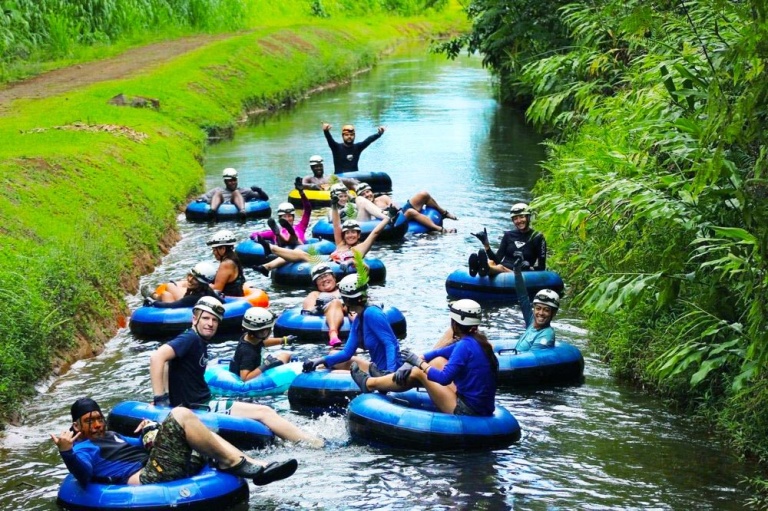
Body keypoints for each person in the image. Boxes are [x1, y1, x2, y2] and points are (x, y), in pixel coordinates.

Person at [149, 296, 323, 447]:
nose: (210, 324)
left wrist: (168, 395)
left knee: (259, 412)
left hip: (201, 402)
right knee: (264, 412)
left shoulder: (197, 340)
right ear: (195, 319)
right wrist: (160, 400)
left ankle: (303, 438)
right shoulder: (190, 338)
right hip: (201, 407)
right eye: (206, 319)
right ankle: (313, 443)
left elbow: (166, 363)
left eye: (215, 320)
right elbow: (157, 357)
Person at [51, 397, 298, 487]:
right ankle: (237, 464)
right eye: (89, 421)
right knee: (180, 414)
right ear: (76, 426)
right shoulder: (82, 447)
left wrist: (148, 431)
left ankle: (256, 465)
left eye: (98, 419)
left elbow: (137, 446)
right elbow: (83, 476)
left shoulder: (110, 435)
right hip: (151, 476)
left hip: (163, 464)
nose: (96, 425)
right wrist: (66, 452)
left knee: (200, 432)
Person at [349, 299, 498, 417]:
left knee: (418, 373)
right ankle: (385, 378)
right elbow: (437, 353)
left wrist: (420, 364)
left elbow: (444, 378)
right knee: (438, 360)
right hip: (482, 407)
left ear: (455, 323)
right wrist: (414, 360)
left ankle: (370, 383)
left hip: (468, 410)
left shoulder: (463, 346)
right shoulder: (479, 341)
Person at [253, 196, 392, 277]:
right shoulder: (341, 244)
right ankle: (267, 266)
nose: (350, 235)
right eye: (348, 232)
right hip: (328, 261)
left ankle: (270, 248)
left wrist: (386, 219)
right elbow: (337, 225)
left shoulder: (361, 248)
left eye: (353, 232)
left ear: (358, 234)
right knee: (300, 252)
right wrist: (334, 206)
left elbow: (375, 233)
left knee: (303, 255)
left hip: (333, 268)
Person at [302, 274, 401, 374]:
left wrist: (391, 374)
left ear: (347, 300)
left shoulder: (372, 313)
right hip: (376, 368)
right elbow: (347, 353)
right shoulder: (358, 320)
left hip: (389, 372)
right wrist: (317, 361)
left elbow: (391, 344)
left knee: (337, 373)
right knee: (332, 355)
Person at [469, 202, 546, 277]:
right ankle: (479, 268)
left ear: (528, 217)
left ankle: (484, 269)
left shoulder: (538, 237)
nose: (519, 221)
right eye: (515, 218)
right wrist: (486, 245)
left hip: (519, 273)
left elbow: (541, 267)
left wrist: (529, 267)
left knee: (500, 267)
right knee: (491, 262)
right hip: (503, 271)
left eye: (522, 217)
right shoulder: (508, 235)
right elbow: (497, 260)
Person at [354, 182, 458, 233]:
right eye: (363, 194)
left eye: (368, 192)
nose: (367, 195)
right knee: (410, 211)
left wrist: (394, 208)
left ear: (371, 191)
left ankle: (443, 213)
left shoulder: (383, 198)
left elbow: (396, 206)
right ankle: (441, 230)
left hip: (399, 213)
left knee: (423, 194)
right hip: (390, 222)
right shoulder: (365, 207)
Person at [229, 307, 295, 382]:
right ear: (263, 332)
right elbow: (244, 378)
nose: (269, 331)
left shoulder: (249, 337)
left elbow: (263, 342)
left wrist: (283, 340)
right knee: (285, 356)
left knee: (284, 355)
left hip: (254, 365)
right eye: (268, 329)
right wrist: (266, 365)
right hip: (250, 376)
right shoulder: (248, 352)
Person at [511, 257, 560, 351]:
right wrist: (517, 271)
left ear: (553, 313)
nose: (540, 313)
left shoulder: (547, 334)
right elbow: (523, 298)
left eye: (546, 310)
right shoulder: (532, 322)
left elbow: (531, 359)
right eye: (538, 308)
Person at [251, 179, 311, 247]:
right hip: (282, 247)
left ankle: (291, 234)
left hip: (298, 246)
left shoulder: (301, 226)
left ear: (293, 217)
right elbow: (254, 234)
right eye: (284, 217)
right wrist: (257, 240)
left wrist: (301, 192)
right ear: (280, 219)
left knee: (293, 237)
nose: (287, 219)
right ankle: (278, 235)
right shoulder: (272, 232)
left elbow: (308, 210)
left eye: (289, 216)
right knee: (279, 236)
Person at [197, 168, 269, 221]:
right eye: (230, 181)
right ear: (225, 181)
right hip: (221, 206)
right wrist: (205, 200)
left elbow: (265, 198)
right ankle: (212, 212)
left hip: (238, 208)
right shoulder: (217, 190)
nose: (232, 183)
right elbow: (203, 197)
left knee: (236, 192)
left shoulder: (245, 191)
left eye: (234, 180)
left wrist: (259, 190)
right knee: (218, 193)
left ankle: (242, 212)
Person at [301, 263, 345, 347]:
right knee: (335, 302)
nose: (324, 279)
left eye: (326, 275)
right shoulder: (315, 294)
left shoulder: (344, 288)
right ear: (316, 284)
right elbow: (308, 313)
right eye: (319, 278)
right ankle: (333, 334)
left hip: (348, 311)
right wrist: (320, 306)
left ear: (334, 277)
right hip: (329, 312)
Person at [141, 262, 221, 306]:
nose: (189, 279)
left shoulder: (193, 298)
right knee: (170, 286)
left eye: (195, 279)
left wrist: (153, 302)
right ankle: (154, 295)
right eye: (190, 275)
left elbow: (170, 306)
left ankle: (153, 296)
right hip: (185, 303)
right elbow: (222, 302)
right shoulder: (207, 289)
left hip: (179, 310)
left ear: (202, 283)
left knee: (165, 294)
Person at [207, 230, 247, 297]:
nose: (213, 253)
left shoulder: (226, 264)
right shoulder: (233, 258)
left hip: (229, 299)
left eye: (214, 250)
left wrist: (201, 284)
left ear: (223, 249)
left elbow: (217, 289)